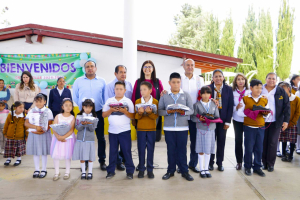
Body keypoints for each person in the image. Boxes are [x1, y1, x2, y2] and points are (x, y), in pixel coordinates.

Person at [158, 72, 194, 181]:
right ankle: (170, 171)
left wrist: (183, 113)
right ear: (169, 83)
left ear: (180, 82)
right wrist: (168, 112)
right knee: (171, 150)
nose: (176, 84)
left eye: (178, 82)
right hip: (169, 128)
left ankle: (184, 171)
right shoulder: (164, 95)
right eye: (173, 82)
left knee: (182, 150)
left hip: (182, 128)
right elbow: (159, 111)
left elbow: (191, 110)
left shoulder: (186, 95)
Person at [73, 60, 107, 170]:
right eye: (87, 66)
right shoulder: (78, 81)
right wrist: (83, 109)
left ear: (95, 68)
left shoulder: (102, 81)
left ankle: (102, 161)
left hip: (98, 112)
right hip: (83, 114)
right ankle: (85, 161)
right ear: (84, 69)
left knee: (100, 137)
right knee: (85, 138)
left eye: (92, 66)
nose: (90, 68)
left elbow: (105, 97)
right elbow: (75, 96)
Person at [237, 79, 270, 177]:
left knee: (259, 148)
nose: (259, 90)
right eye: (256, 88)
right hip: (249, 127)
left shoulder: (264, 99)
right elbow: (239, 113)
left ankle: (257, 167)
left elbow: (267, 114)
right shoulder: (245, 99)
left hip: (260, 127)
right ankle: (247, 166)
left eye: (260, 88)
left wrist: (264, 114)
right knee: (249, 148)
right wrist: (250, 113)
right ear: (251, 88)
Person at [103, 81, 135, 180]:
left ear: (124, 90)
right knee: (112, 152)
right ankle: (111, 171)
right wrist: (111, 110)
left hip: (125, 131)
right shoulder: (109, 101)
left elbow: (133, 116)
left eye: (121, 89)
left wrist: (124, 111)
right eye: (117, 89)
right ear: (114, 90)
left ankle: (130, 171)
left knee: (126, 151)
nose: (119, 91)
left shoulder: (128, 101)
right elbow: (104, 115)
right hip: (112, 131)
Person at [105, 65, 133, 171]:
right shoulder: (109, 86)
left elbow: (130, 101)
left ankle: (123, 160)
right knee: (114, 146)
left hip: (125, 117)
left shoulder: (129, 84)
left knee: (125, 144)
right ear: (115, 73)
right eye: (121, 72)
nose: (123, 74)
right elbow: (107, 102)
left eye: (125, 72)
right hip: (114, 118)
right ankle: (117, 162)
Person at [261, 72, 290, 172]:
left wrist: (286, 121)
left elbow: (287, 106)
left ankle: (270, 164)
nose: (271, 80)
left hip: (275, 121)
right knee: (263, 142)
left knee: (273, 142)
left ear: (276, 80)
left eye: (273, 79)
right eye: (269, 78)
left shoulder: (280, 91)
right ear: (266, 79)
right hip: (262, 120)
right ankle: (263, 163)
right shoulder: (260, 89)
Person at [180, 59, 204, 174]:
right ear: (183, 66)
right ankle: (181, 165)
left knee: (195, 141)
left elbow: (205, 94)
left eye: (192, 65)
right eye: (187, 65)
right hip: (182, 114)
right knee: (181, 141)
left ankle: (193, 164)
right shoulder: (179, 79)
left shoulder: (200, 80)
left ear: (194, 67)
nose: (190, 67)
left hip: (195, 114)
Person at [132, 60, 164, 142]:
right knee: (142, 139)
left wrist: (164, 93)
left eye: (149, 67)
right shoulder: (138, 82)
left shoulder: (157, 82)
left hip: (153, 114)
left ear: (153, 69)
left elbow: (162, 96)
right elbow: (134, 97)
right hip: (140, 113)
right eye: (145, 67)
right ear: (142, 69)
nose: (147, 68)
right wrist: (133, 115)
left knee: (153, 139)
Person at [208, 69, 234, 172]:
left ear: (223, 78)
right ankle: (210, 163)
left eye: (220, 76)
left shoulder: (228, 89)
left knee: (221, 141)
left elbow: (230, 106)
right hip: (211, 119)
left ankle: (220, 163)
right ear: (213, 78)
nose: (218, 78)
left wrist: (227, 121)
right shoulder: (208, 88)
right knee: (211, 142)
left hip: (223, 120)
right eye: (216, 76)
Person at [192, 86, 220, 179]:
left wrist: (211, 118)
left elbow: (217, 116)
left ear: (210, 94)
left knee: (208, 150)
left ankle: (206, 169)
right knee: (200, 149)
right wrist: (199, 119)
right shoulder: (196, 105)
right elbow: (193, 117)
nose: (205, 95)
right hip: (200, 129)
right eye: (203, 93)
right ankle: (201, 169)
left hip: (211, 129)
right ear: (200, 94)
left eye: (208, 93)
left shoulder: (213, 104)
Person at [25, 93, 53, 179]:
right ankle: (36, 169)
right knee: (36, 152)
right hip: (33, 134)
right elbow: (26, 123)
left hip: (44, 134)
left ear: (45, 102)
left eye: (40, 101)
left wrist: (42, 131)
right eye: (36, 101)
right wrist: (36, 128)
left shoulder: (48, 111)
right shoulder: (31, 111)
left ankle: (44, 169)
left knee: (44, 152)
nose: (38, 103)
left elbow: (49, 124)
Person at [135, 81, 159, 179]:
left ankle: (150, 170)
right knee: (141, 149)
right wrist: (140, 113)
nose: (142, 91)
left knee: (150, 149)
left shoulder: (155, 102)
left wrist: (149, 113)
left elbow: (155, 116)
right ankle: (141, 169)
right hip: (140, 129)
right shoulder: (137, 101)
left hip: (151, 129)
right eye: (141, 90)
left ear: (150, 90)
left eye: (144, 89)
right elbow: (136, 117)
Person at [50, 98, 76, 181]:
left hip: (68, 139)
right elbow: (54, 127)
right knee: (56, 155)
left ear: (72, 107)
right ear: (62, 107)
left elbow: (71, 130)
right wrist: (58, 137)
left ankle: (67, 172)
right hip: (57, 139)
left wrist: (63, 137)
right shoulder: (58, 116)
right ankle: (56, 172)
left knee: (67, 155)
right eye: (66, 105)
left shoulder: (72, 118)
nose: (68, 107)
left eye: (70, 105)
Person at [73, 98, 98, 180]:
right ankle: (83, 172)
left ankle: (90, 172)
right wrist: (82, 124)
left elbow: (92, 129)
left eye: (90, 107)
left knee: (90, 157)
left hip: (90, 140)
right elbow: (77, 128)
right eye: (86, 107)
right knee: (82, 157)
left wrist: (90, 123)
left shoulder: (94, 117)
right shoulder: (79, 116)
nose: (88, 109)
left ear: (92, 108)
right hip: (80, 140)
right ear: (83, 107)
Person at [232, 73, 251, 170]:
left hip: (248, 119)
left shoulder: (249, 92)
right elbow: (229, 106)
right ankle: (239, 161)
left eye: (242, 79)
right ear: (235, 81)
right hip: (237, 120)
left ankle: (248, 161)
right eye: (238, 79)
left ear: (245, 81)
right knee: (238, 140)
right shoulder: (232, 93)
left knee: (248, 142)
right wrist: (236, 107)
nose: (240, 81)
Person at [278, 82, 300, 162]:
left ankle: (290, 155)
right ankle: (283, 154)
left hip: (292, 124)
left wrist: (292, 122)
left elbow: (298, 112)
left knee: (292, 140)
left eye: (283, 89)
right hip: (283, 123)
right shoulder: (280, 99)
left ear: (288, 89)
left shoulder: (296, 99)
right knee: (283, 139)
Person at [3, 101, 27, 166]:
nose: (22, 109)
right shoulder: (10, 115)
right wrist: (5, 132)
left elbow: (26, 127)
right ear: (15, 108)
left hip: (20, 136)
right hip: (10, 135)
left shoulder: (24, 116)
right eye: (20, 107)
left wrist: (26, 136)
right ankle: (8, 159)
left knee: (19, 148)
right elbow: (6, 124)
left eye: (23, 107)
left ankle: (19, 159)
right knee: (9, 148)